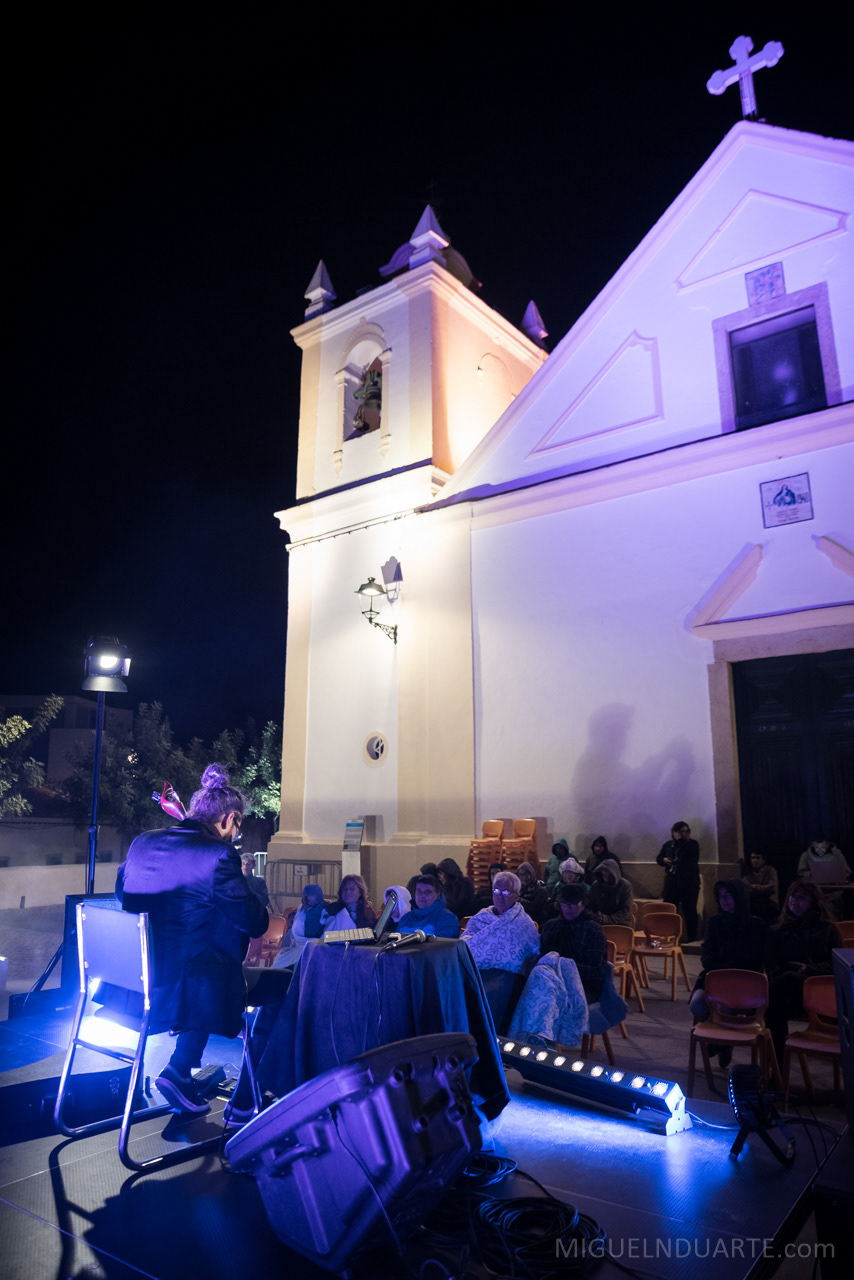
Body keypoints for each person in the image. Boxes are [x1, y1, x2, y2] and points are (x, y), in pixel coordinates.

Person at [115, 763, 287, 1118]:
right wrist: (244, 884)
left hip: (132, 986)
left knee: (207, 953)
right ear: (229, 819)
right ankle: (245, 1100)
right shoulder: (219, 856)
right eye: (237, 826)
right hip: (189, 989)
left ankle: (180, 1069)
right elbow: (255, 922)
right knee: (284, 986)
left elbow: (124, 895)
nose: (236, 834)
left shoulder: (142, 843)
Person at [689, 880, 768, 1064]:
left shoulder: (756, 924)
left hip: (744, 980)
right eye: (720, 896)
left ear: (739, 897)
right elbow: (708, 952)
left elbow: (755, 957)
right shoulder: (715, 922)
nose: (723, 900)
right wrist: (716, 967)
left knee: (724, 1007)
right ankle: (723, 1043)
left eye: (728, 895)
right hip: (717, 977)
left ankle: (721, 1041)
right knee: (697, 1004)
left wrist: (730, 967)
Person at [766, 881, 843, 1066]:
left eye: (801, 897)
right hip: (788, 994)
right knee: (777, 1003)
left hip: (819, 994)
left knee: (784, 983)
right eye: (792, 896)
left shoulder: (828, 930)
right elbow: (772, 964)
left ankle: (775, 1071)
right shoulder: (780, 930)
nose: (794, 900)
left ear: (813, 901)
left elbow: (837, 964)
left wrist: (807, 969)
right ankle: (777, 1069)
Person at [461, 871, 541, 973]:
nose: (500, 896)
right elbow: (465, 942)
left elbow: (531, 954)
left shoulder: (524, 923)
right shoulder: (481, 916)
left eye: (505, 892)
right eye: (496, 891)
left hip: (506, 975)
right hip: (474, 972)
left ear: (516, 896)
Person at [540, 883, 608, 1002]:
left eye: (572, 905)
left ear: (583, 904)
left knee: (552, 1001)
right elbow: (540, 955)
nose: (567, 909)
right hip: (552, 981)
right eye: (564, 904)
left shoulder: (592, 929)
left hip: (583, 986)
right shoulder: (551, 926)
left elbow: (597, 970)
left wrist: (564, 966)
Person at [656, 821, 701, 942]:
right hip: (672, 883)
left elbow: (690, 857)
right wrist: (664, 860)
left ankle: (692, 939)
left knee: (690, 911)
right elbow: (659, 858)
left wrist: (680, 840)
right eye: (682, 832)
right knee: (669, 910)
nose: (685, 834)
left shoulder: (693, 844)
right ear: (674, 833)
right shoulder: (669, 845)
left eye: (687, 831)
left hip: (689, 884)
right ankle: (668, 937)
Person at [271, 883, 328, 969]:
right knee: (281, 960)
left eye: (315, 900)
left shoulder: (326, 912)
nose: (311, 903)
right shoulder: (301, 910)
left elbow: (326, 933)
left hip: (316, 947)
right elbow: (296, 931)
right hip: (297, 946)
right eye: (309, 900)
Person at [587, 858, 633, 927]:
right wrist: (594, 915)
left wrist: (606, 919)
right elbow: (589, 905)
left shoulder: (625, 886)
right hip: (598, 922)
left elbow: (626, 912)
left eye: (610, 875)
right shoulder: (596, 885)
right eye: (604, 875)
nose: (606, 878)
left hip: (620, 924)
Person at [740, 850, 779, 922]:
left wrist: (754, 887)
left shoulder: (770, 870)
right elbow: (745, 886)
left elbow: (772, 887)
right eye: (753, 858)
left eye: (758, 858)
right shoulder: (747, 871)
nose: (755, 860)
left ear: (763, 860)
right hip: (752, 904)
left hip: (768, 904)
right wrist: (762, 888)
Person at [516, 861, 550, 925]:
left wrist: (518, 899)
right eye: (521, 874)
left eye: (527, 874)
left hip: (536, 921)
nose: (524, 877)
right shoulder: (518, 888)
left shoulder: (541, 889)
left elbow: (535, 908)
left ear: (532, 874)